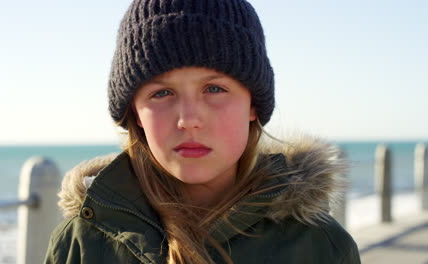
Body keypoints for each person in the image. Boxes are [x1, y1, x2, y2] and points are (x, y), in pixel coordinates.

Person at [45, 0, 361, 263]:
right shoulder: (82, 244)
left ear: (252, 105)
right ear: (135, 114)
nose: (189, 119)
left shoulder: (320, 246)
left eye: (213, 88)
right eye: (162, 93)